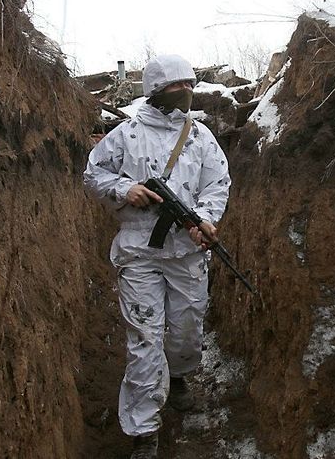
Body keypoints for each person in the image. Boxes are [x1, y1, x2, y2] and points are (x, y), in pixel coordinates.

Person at [83, 55, 231, 459]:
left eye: (189, 83)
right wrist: (123, 189)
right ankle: (143, 429)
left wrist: (204, 218)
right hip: (138, 252)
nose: (185, 91)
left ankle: (179, 376)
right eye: (176, 85)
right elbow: (93, 173)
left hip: (187, 252)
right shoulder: (126, 135)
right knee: (145, 337)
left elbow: (218, 182)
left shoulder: (200, 137)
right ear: (155, 90)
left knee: (186, 328)